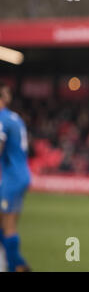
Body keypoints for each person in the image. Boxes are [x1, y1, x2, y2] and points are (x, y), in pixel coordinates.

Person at [0, 82, 31, 272]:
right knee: (5, 225)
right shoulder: (15, 117)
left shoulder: (2, 118)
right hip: (20, 174)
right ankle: (18, 264)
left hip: (12, 177)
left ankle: (15, 266)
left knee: (8, 226)